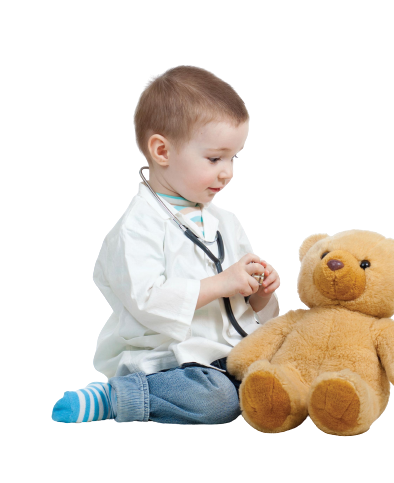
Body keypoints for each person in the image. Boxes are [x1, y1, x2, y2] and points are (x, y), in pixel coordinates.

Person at [51, 65, 281, 424]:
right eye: (215, 158)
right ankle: (118, 396)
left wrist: (260, 296)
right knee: (216, 401)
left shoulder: (226, 222)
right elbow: (148, 301)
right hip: (170, 361)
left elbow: (243, 310)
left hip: (232, 353)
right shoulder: (136, 228)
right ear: (162, 150)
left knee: (282, 370)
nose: (228, 172)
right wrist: (221, 283)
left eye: (234, 157)